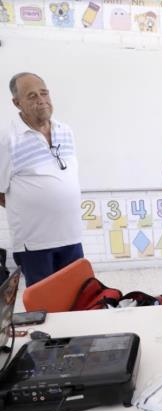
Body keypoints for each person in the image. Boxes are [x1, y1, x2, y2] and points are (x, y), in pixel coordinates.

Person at [0, 72, 83, 286]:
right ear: (17, 103)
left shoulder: (65, 131)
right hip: (35, 244)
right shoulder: (7, 139)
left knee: (78, 300)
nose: (41, 100)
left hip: (72, 237)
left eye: (44, 93)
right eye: (32, 95)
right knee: (44, 307)